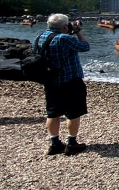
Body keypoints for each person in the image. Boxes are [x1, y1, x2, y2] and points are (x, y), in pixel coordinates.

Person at [37, 14, 90, 155]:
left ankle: (54, 143)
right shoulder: (65, 38)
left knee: (53, 113)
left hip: (50, 82)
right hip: (70, 81)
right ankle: (71, 143)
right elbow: (85, 46)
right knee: (73, 113)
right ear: (65, 26)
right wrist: (78, 32)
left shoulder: (40, 37)